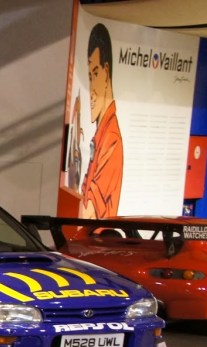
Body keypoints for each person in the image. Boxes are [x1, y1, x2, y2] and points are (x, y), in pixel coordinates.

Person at [80, 23, 123, 219]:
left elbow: (88, 213)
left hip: (96, 237)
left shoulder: (111, 140)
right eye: (89, 77)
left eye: (96, 73)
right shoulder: (101, 136)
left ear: (106, 72)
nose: (91, 90)